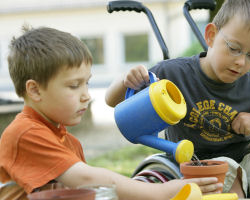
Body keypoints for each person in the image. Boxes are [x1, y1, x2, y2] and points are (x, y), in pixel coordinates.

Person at [0, 25, 222, 200]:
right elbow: (87, 179)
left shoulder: (68, 142)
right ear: (35, 90)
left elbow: (91, 191)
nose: (86, 95)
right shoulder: (25, 134)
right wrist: (163, 193)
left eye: (86, 84)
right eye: (74, 86)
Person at [105, 0, 250, 199]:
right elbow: (112, 101)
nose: (241, 62)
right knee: (226, 182)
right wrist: (125, 80)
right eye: (233, 48)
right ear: (211, 35)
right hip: (195, 162)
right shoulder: (172, 73)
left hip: (247, 155)